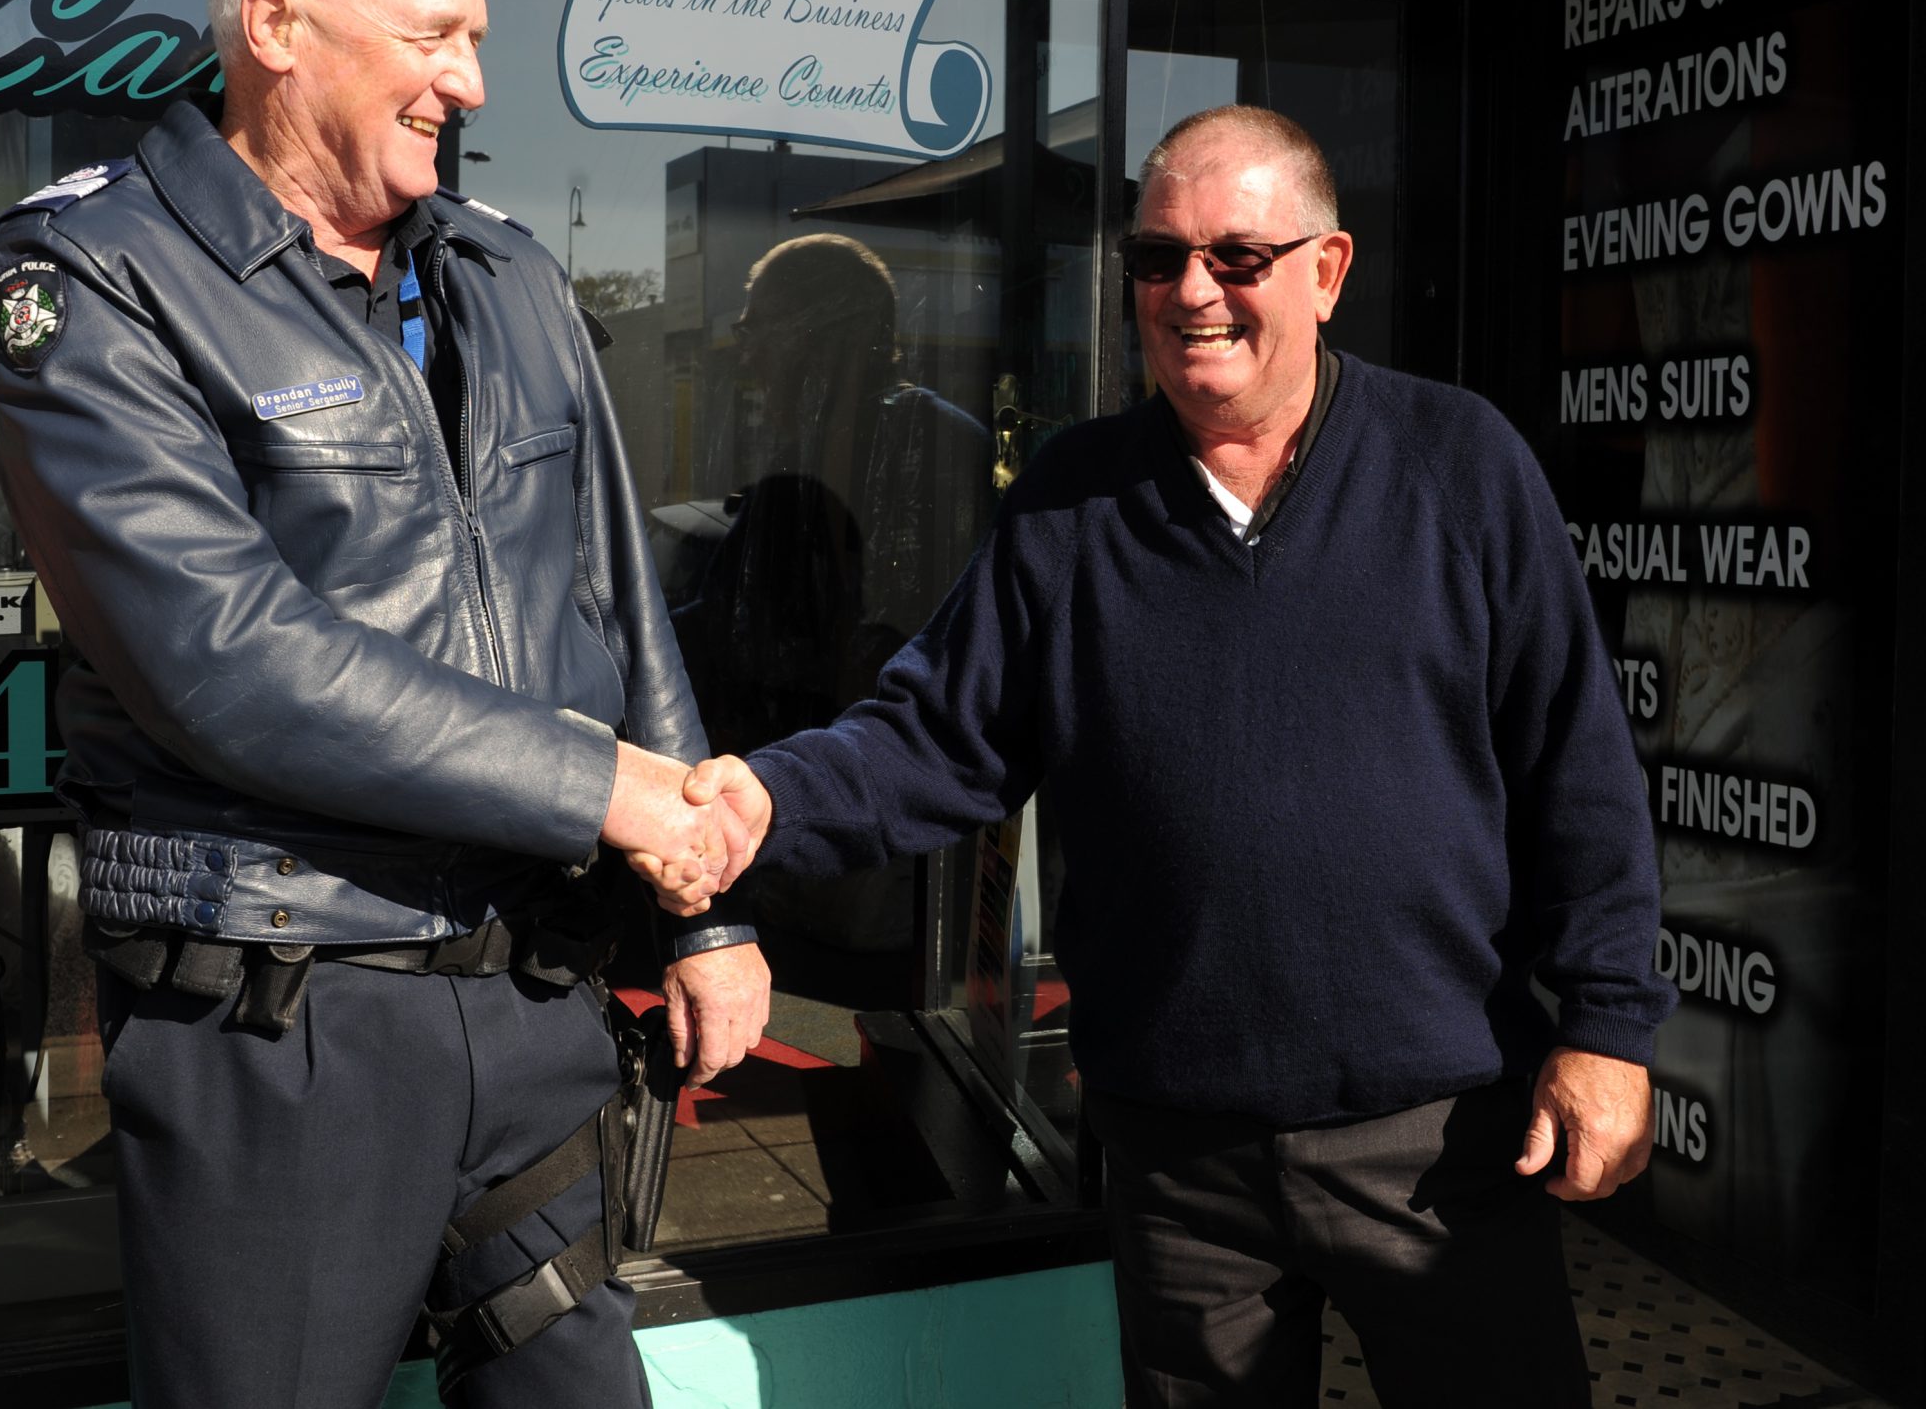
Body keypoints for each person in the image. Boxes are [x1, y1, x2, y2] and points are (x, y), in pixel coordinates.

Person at [688, 104, 1676, 1407]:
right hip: (1179, 1156)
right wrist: (757, 799)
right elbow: (935, 735)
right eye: (1157, 259)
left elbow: (1579, 767)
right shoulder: (1072, 498)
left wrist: (1607, 1028)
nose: (1192, 291)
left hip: (1439, 1135)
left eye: (1236, 257)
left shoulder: (1459, 464)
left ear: (1326, 270)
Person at [0, 0, 765, 1409]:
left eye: (474, 36)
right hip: (287, 1014)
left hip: (530, 997)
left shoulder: (507, 273)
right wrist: (608, 790)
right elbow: (230, 658)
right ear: (275, 24)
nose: (468, 81)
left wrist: (703, 909)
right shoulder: (94, 271)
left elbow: (616, 588)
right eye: (433, 36)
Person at [677, 232, 992, 951]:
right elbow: (727, 622)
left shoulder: (930, 446)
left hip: (877, 844)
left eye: (757, 329)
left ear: (817, 333)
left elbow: (923, 653)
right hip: (786, 820)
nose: (748, 356)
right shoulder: (799, 461)